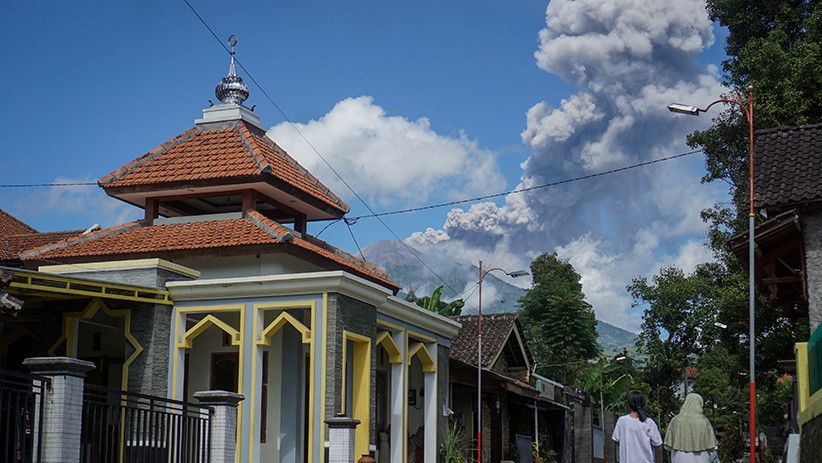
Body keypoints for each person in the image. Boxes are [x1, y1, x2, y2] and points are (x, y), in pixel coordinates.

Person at [664, 393, 717, 463]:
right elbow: (712, 445)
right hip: (701, 458)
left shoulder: (675, 420)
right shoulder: (704, 421)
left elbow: (668, 445)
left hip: (679, 457)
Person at [612, 391, 663, 463]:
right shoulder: (649, 422)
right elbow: (657, 442)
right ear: (643, 404)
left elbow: (616, 439)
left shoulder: (622, 421)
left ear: (629, 404)